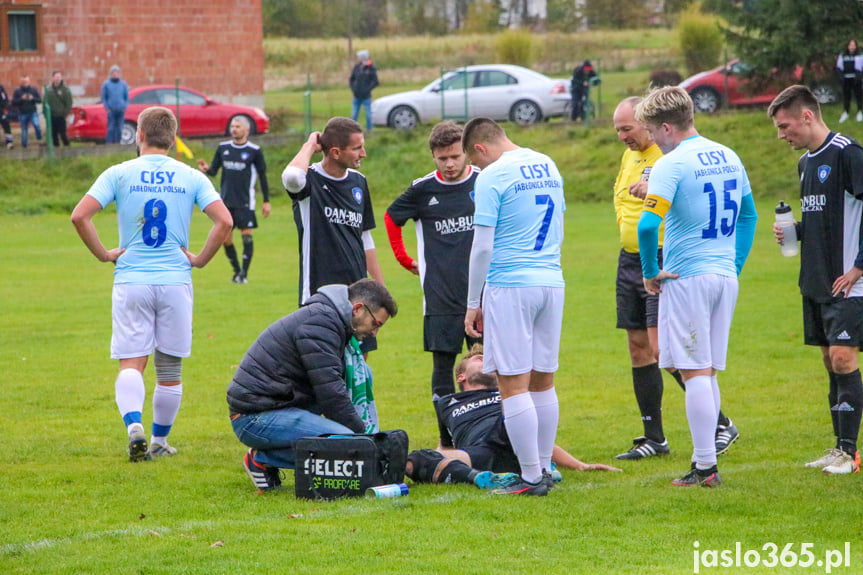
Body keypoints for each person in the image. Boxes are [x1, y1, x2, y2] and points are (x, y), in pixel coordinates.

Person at [70, 106, 232, 462]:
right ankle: (159, 441)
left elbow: (80, 215)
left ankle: (133, 427)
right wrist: (201, 259)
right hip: (175, 281)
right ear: (173, 140)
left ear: (139, 135)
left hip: (132, 279)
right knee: (170, 369)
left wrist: (104, 254)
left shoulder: (119, 173)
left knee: (132, 362)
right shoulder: (190, 176)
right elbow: (224, 222)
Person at [635, 87, 758, 488]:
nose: (652, 139)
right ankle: (704, 462)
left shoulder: (672, 163)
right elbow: (749, 216)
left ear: (667, 127)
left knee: (695, 371)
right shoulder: (728, 154)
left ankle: (705, 467)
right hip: (724, 276)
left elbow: (648, 224)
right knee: (706, 369)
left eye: (653, 132)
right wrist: (734, 264)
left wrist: (651, 270)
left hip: (688, 277)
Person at [611, 96, 739, 461]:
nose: (624, 136)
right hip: (631, 258)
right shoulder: (631, 156)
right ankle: (655, 437)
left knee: (668, 353)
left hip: (669, 260)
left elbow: (655, 214)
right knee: (640, 347)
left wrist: (652, 267)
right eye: (618, 130)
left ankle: (718, 427)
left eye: (629, 129)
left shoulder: (669, 158)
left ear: (654, 126)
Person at [462, 117, 566, 496]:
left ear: (480, 149)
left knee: (512, 383)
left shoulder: (492, 176)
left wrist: (474, 302)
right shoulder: (548, 164)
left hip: (511, 283)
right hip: (551, 280)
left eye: (476, 162)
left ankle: (530, 478)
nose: (478, 169)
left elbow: (483, 246)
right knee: (543, 379)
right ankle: (543, 467)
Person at [768, 84, 863, 475]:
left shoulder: (848, 153)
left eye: (785, 125)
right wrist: (797, 231)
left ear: (808, 116)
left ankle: (851, 454)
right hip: (816, 279)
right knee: (830, 360)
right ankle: (840, 449)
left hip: (848, 281)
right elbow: (829, 215)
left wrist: (859, 267)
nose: (781, 134)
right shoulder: (806, 163)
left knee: (843, 357)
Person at [227, 279, 397, 493]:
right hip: (254, 416)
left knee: (364, 373)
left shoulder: (332, 320)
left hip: (281, 404)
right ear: (358, 309)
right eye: (376, 324)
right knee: (349, 447)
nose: (374, 333)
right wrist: (365, 440)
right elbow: (331, 394)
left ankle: (271, 455)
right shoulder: (320, 324)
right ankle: (261, 458)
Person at [405, 346, 621, 490]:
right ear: (461, 376)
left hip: (510, 436)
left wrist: (581, 465)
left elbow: (538, 438)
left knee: (518, 413)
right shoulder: (446, 403)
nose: (488, 362)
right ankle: (482, 478)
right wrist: (431, 458)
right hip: (481, 453)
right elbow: (445, 449)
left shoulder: (509, 396)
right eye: (481, 359)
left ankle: (542, 466)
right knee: (414, 461)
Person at [385, 121, 481, 399]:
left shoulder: (485, 181)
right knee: (443, 366)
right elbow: (392, 218)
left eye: (455, 156)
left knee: (490, 365)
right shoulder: (422, 189)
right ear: (433, 156)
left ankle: (489, 431)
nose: (449, 164)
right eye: (443, 158)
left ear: (466, 152)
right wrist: (403, 259)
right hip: (441, 295)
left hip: (484, 295)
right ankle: (446, 437)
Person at [281, 117, 385, 353]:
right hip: (319, 292)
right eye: (357, 148)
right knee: (325, 362)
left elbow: (365, 238)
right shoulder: (310, 181)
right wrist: (310, 144)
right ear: (336, 152)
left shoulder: (359, 182)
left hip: (358, 293)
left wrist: (379, 287)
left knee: (360, 363)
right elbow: (291, 178)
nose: (364, 153)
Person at [198, 116, 270, 283]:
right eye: (232, 126)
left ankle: (244, 274)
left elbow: (262, 176)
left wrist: (266, 201)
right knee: (226, 239)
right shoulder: (223, 148)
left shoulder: (254, 150)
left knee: (246, 236)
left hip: (245, 202)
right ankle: (237, 271)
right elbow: (214, 171)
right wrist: (206, 169)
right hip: (225, 202)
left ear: (246, 130)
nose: (234, 129)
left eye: (238, 126)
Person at [349, 50, 379, 131]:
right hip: (357, 95)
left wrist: (368, 89)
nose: (357, 58)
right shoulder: (357, 67)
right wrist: (353, 89)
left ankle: (369, 130)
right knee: (354, 115)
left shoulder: (371, 67)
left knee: (368, 115)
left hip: (366, 96)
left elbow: (376, 81)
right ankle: (353, 130)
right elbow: (351, 79)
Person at [835, 39, 863, 123]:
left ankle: (859, 112)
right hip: (846, 79)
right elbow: (839, 67)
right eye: (850, 45)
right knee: (846, 96)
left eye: (853, 45)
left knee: (859, 96)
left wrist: (860, 77)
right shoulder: (842, 55)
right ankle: (846, 112)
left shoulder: (859, 55)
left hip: (856, 79)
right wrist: (841, 77)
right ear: (848, 46)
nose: (852, 47)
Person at [12, 75, 42, 148]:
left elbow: (39, 100)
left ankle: (39, 138)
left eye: (26, 81)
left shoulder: (33, 90)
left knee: (37, 125)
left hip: (33, 112)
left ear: (29, 81)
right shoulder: (17, 91)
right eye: (23, 81)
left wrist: (32, 98)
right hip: (22, 113)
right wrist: (21, 99)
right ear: (21, 82)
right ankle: (25, 145)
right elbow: (13, 102)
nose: (25, 83)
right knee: (24, 130)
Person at [101, 65, 129, 144]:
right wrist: (107, 108)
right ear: (111, 73)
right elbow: (103, 97)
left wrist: (124, 106)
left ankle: (118, 144)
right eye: (113, 72)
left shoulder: (123, 84)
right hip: (111, 110)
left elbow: (126, 97)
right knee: (111, 128)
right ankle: (109, 144)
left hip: (121, 110)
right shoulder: (106, 84)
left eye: (117, 72)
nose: (115, 74)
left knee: (119, 129)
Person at [44, 71, 73, 147]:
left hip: (61, 116)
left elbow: (69, 103)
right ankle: (56, 150)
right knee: (54, 134)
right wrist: (46, 114)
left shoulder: (65, 89)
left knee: (63, 134)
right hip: (52, 116)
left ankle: (67, 148)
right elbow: (45, 102)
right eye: (56, 77)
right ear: (53, 78)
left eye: (59, 77)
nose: (58, 79)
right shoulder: (48, 89)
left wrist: (65, 113)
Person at [0, 81, 13, 149]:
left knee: (6, 125)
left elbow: (5, 99)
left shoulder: (1, 88)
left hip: (1, 111)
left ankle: (9, 142)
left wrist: (4, 110)